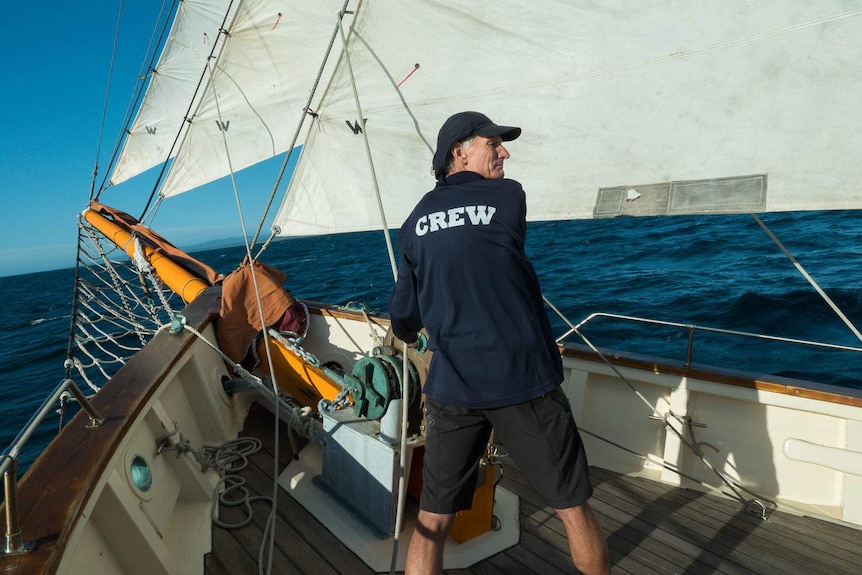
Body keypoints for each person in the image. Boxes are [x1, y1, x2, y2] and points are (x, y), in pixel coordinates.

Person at [388, 111, 610, 575]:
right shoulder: (509, 197)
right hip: (524, 382)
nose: (504, 152)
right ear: (460, 152)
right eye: (494, 144)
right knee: (573, 507)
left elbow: (403, 317)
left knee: (431, 521)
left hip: (452, 389)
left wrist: (415, 333)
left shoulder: (412, 224)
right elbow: (491, 255)